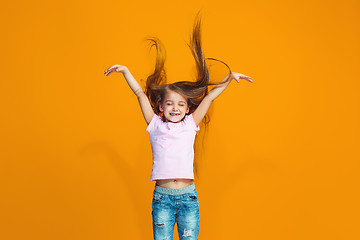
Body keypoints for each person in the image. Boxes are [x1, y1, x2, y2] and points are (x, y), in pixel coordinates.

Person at [104, 12, 253, 240]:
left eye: (181, 104)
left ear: (187, 108)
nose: (176, 108)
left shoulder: (190, 124)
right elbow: (139, 94)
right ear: (161, 107)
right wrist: (125, 71)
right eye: (170, 103)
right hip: (162, 198)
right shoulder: (154, 124)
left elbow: (210, 97)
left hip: (188, 197)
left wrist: (230, 77)